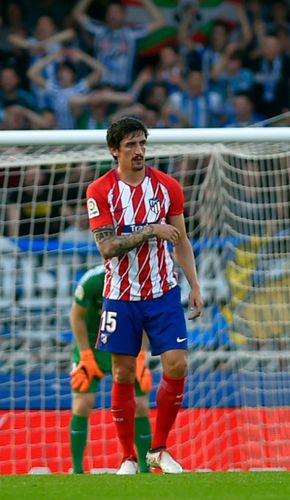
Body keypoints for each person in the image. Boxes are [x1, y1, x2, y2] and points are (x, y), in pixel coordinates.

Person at [86, 116, 204, 474]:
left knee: (177, 363)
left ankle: (159, 449)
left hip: (163, 291)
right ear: (114, 151)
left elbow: (180, 240)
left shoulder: (167, 187)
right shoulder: (100, 191)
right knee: (123, 374)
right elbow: (107, 248)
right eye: (130, 146)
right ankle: (127, 457)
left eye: (142, 144)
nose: (139, 152)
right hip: (120, 294)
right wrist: (151, 229)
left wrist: (195, 285)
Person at [69, 265, 153, 474]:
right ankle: (77, 469)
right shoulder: (92, 281)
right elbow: (76, 316)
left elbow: (143, 322)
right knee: (83, 403)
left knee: (141, 405)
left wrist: (142, 357)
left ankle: (145, 467)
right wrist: (85, 355)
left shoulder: (137, 282)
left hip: (125, 346)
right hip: (91, 348)